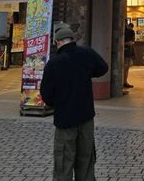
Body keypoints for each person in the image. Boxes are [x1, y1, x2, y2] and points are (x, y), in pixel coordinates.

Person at [40, 23, 108, 181]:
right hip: (86, 116)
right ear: (71, 38)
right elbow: (103, 68)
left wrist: (57, 102)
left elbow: (46, 95)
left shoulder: (54, 63)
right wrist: (87, 73)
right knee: (86, 159)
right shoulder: (86, 53)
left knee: (63, 161)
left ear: (58, 42)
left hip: (65, 119)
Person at [123, 22, 136, 89]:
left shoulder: (129, 31)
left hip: (127, 52)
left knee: (126, 67)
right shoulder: (131, 31)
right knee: (126, 67)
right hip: (128, 52)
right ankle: (124, 82)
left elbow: (131, 42)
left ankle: (124, 81)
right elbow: (132, 42)